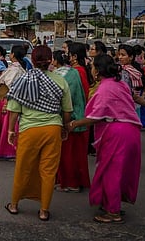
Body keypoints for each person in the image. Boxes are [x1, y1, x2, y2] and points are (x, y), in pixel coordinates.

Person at [68, 54, 141, 224]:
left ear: (98, 70)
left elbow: (96, 116)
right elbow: (133, 99)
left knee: (110, 171)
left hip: (117, 131)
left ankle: (113, 212)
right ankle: (110, 203)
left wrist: (74, 123)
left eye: (93, 66)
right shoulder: (119, 84)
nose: (91, 69)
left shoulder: (104, 89)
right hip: (130, 130)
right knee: (118, 170)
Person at [4, 45, 72, 221]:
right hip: (52, 129)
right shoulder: (60, 81)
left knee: (23, 168)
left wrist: (11, 130)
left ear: (32, 60)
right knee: (48, 171)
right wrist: (65, 127)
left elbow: (14, 108)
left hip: (29, 130)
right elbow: (67, 110)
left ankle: (14, 205)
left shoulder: (24, 80)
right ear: (51, 60)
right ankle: (43, 210)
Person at [52, 50, 90, 193]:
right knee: (76, 154)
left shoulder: (61, 75)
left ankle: (69, 182)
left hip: (68, 118)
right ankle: (74, 181)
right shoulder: (74, 72)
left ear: (56, 61)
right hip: (78, 117)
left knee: (66, 154)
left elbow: (65, 100)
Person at [0, 45, 26, 160]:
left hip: (9, 100)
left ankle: (11, 151)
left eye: (11, 53)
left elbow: (8, 85)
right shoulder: (19, 68)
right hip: (14, 100)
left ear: (13, 54)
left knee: (9, 127)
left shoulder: (14, 69)